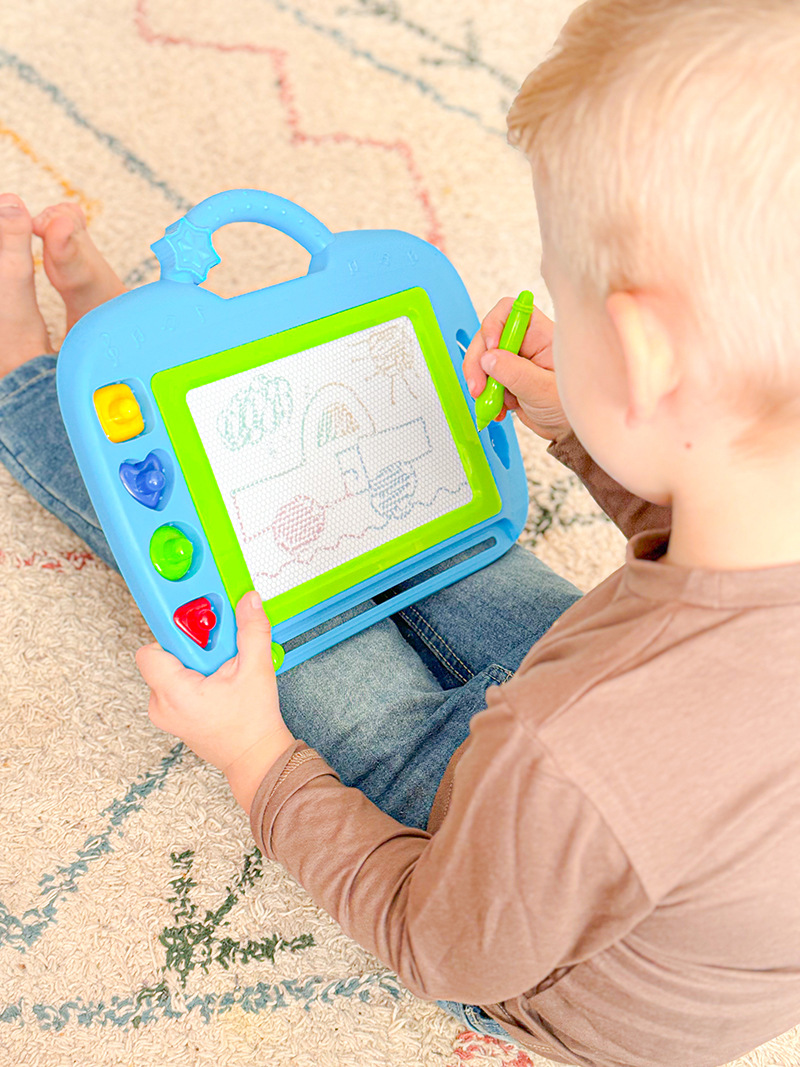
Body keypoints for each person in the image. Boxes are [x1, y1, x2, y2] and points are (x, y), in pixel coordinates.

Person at [2, 0, 800, 1063]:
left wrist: (255, 759)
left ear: (648, 364)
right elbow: (688, 523)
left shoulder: (564, 754)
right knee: (416, 531)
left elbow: (439, 940)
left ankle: (32, 384)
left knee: (258, 604)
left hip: (529, 939)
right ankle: (136, 355)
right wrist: (586, 426)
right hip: (641, 803)